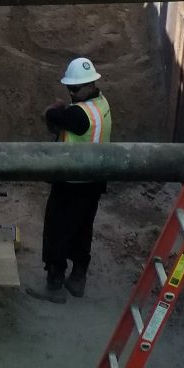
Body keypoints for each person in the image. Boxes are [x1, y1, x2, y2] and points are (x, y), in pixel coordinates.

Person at [39, 55, 112, 301]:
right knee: (82, 229)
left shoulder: (79, 116)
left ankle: (54, 284)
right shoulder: (101, 104)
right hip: (94, 180)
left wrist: (54, 109)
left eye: (75, 88)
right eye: (69, 88)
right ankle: (78, 278)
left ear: (90, 85)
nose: (71, 92)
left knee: (56, 230)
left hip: (71, 181)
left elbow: (52, 117)